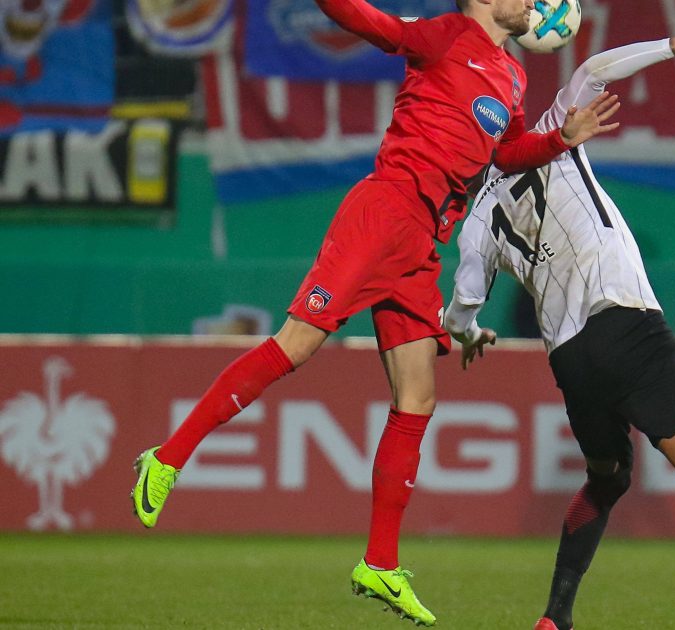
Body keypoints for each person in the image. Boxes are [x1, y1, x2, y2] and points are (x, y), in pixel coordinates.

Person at [129, 0, 618, 624]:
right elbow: (364, 19)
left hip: (423, 243)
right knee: (297, 346)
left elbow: (507, 152)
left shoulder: (513, 75)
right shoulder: (443, 37)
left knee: (417, 398)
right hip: (385, 212)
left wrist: (559, 141)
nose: (534, 3)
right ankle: (167, 459)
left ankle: (379, 564)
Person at [442, 34, 675, 630]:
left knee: (607, 477)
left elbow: (461, 306)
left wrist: (470, 331)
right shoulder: (553, 138)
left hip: (571, 359)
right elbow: (596, 66)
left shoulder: (475, 222)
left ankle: (554, 618)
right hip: (622, 319)